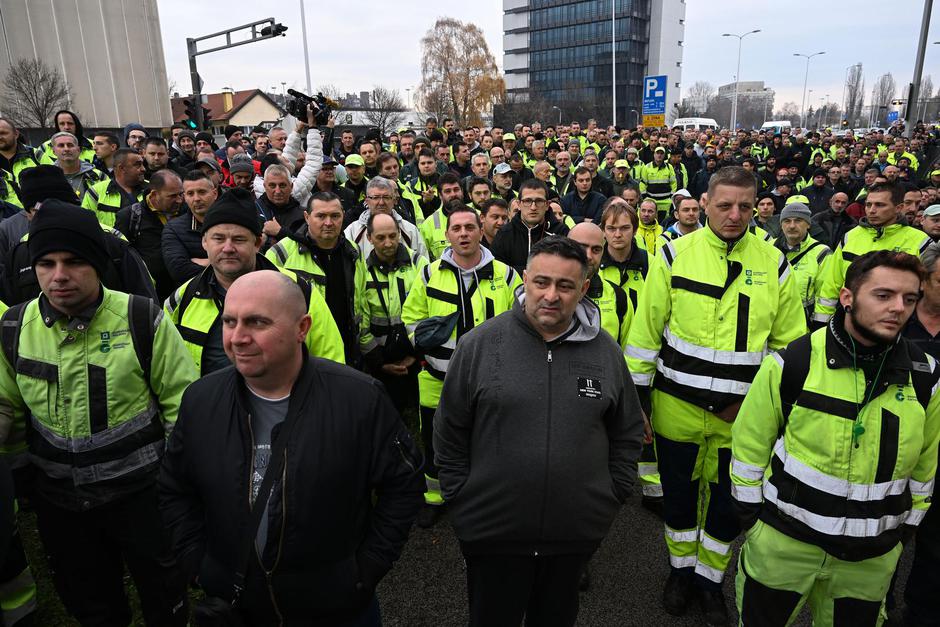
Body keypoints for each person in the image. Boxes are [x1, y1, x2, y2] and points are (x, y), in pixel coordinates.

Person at [158, 270, 424, 626]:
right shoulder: (201, 401)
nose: (237, 337)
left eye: (256, 322)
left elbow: (403, 485)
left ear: (302, 328)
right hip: (239, 604)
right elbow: (175, 487)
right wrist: (198, 562)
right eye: (229, 321)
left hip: (338, 607)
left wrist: (364, 569)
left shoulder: (359, 399)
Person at [0, 202, 196, 626]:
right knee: (91, 603)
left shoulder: (142, 319)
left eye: (73, 261)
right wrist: (24, 486)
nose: (59, 276)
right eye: (46, 263)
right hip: (60, 503)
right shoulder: (14, 329)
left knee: (164, 594)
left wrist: (180, 486)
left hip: (142, 496)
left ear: (98, 262)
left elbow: (181, 407)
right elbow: (10, 414)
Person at [626, 166, 806, 624]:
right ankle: (680, 572)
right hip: (676, 407)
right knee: (680, 500)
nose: (735, 214)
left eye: (745, 206)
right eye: (724, 205)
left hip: (743, 418)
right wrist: (637, 403)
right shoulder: (673, 255)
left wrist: (772, 412)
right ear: (704, 204)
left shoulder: (774, 263)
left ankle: (710, 581)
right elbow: (646, 333)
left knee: (729, 506)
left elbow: (789, 347)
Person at [434, 236, 643, 627]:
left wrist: (609, 497)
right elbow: (450, 431)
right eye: (541, 282)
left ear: (583, 288)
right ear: (525, 279)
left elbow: (627, 431)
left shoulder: (606, 352)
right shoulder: (479, 345)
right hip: (492, 534)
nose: (551, 295)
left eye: (565, 286)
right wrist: (461, 500)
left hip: (572, 537)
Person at [731, 250, 940, 627]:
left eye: (909, 299)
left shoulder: (926, 378)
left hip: (870, 560)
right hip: (784, 546)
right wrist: (753, 520)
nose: (898, 308)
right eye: (883, 295)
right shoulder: (792, 362)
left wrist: (905, 530)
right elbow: (749, 446)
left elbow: (925, 466)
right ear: (847, 298)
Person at [402, 205, 522, 528]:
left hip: (490, 381)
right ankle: (434, 497)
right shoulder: (428, 273)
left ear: (481, 231)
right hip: (436, 379)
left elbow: (522, 324)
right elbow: (411, 318)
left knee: (488, 440)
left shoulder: (507, 275)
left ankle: (484, 494)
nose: (464, 234)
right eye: (457, 229)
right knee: (434, 440)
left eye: (470, 227)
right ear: (447, 235)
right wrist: (424, 348)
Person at [164, 187, 344, 375]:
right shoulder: (183, 298)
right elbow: (167, 369)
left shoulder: (298, 291)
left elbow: (330, 360)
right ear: (204, 242)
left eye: (239, 239)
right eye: (218, 238)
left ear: (257, 243)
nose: (228, 248)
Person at [266, 192, 364, 365]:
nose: (328, 223)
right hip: (303, 353)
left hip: (348, 351)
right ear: (307, 216)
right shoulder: (281, 254)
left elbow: (361, 301)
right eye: (321, 216)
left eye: (335, 216)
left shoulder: (353, 252)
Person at [814, 182, 931, 326]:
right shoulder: (850, 237)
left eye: (880, 205)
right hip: (850, 323)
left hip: (897, 326)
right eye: (868, 205)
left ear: (898, 208)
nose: (871, 210)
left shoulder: (921, 242)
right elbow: (831, 283)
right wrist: (821, 322)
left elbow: (929, 291)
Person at [358, 212, 428, 413]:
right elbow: (360, 319)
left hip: (416, 358)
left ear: (399, 233)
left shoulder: (419, 264)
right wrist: (379, 363)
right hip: (378, 362)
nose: (388, 243)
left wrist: (416, 355)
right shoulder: (361, 270)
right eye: (380, 238)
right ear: (369, 238)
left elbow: (429, 313)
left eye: (392, 236)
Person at [115, 170, 184, 300]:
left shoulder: (186, 210)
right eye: (173, 196)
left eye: (181, 194)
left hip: (183, 291)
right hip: (149, 297)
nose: (179, 200)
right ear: (154, 195)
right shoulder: (130, 217)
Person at [569, 222, 632, 349]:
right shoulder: (544, 292)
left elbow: (630, 352)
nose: (588, 255)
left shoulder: (619, 297)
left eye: (596, 250)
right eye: (581, 247)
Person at [492, 179, 570, 273]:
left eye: (539, 201)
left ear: (547, 205)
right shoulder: (504, 234)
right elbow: (497, 272)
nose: (533, 207)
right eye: (527, 201)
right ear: (519, 204)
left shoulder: (561, 233)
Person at [774, 202, 832, 323]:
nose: (792, 226)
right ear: (781, 225)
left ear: (808, 224)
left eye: (798, 220)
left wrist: (819, 324)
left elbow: (826, 295)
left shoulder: (821, 253)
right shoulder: (767, 249)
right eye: (787, 221)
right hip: (770, 322)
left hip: (803, 325)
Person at [345, 177, 429, 260]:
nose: (381, 203)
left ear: (394, 200)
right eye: (376, 197)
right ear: (367, 201)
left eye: (386, 197)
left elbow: (422, 263)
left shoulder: (410, 230)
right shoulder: (352, 232)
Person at [162, 170, 215, 286]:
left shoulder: (232, 223)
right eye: (190, 194)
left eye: (202, 192)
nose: (196, 198)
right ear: (184, 197)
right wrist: (224, 265)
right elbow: (179, 271)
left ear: (214, 193)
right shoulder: (173, 229)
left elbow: (249, 260)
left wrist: (204, 262)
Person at [81, 148, 146, 227]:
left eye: (143, 164)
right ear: (121, 168)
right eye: (137, 165)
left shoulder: (152, 189)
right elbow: (86, 223)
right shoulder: (96, 192)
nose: (143, 169)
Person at [50, 132, 108, 204]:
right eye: (61, 145)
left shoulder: (99, 176)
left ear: (78, 149)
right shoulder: (47, 178)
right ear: (54, 151)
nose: (66, 149)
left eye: (70, 145)